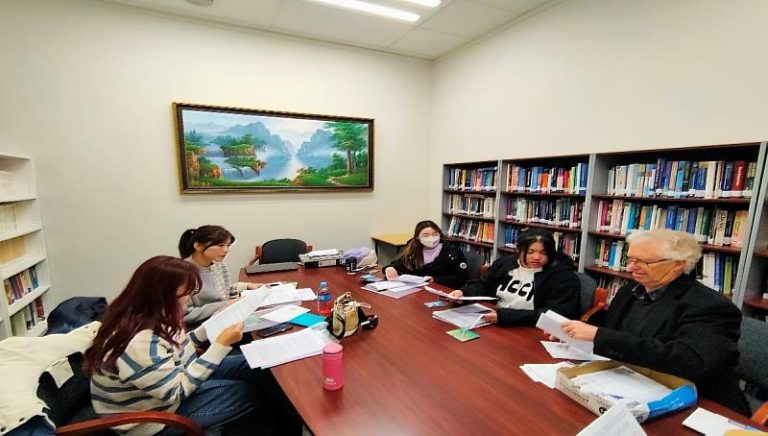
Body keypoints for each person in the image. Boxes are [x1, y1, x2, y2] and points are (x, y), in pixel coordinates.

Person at [561, 229, 750, 416]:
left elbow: (689, 361)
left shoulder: (710, 306)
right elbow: (614, 330)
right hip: (632, 384)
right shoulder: (630, 290)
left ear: (678, 264)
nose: (631, 268)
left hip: (696, 402)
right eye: (630, 259)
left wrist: (599, 336)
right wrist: (574, 333)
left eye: (644, 262)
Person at [83, 256, 271, 435]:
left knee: (255, 362)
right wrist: (220, 345)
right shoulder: (139, 342)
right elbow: (176, 392)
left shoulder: (150, 314)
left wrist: (208, 328)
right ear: (163, 293)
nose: (189, 297)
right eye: (187, 291)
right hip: (152, 418)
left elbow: (176, 349)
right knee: (248, 392)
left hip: (173, 382)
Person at [450, 228, 580, 326]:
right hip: (494, 319)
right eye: (530, 252)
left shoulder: (563, 277)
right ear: (519, 250)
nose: (536, 257)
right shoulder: (506, 263)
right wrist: (464, 293)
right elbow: (484, 284)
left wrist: (507, 317)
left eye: (543, 253)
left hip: (530, 329)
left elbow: (557, 314)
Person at [179, 225, 263, 327]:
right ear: (198, 246)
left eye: (228, 245)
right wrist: (226, 304)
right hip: (202, 327)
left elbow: (223, 292)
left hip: (224, 317)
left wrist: (246, 286)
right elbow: (186, 316)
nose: (226, 250)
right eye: (220, 245)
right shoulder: (182, 273)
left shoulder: (219, 265)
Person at [383, 220, 469, 288]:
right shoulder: (412, 248)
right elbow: (400, 263)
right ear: (417, 237)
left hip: (441, 289)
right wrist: (391, 268)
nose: (431, 238)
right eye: (426, 235)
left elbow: (461, 277)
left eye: (435, 234)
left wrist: (435, 279)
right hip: (416, 289)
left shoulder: (451, 251)